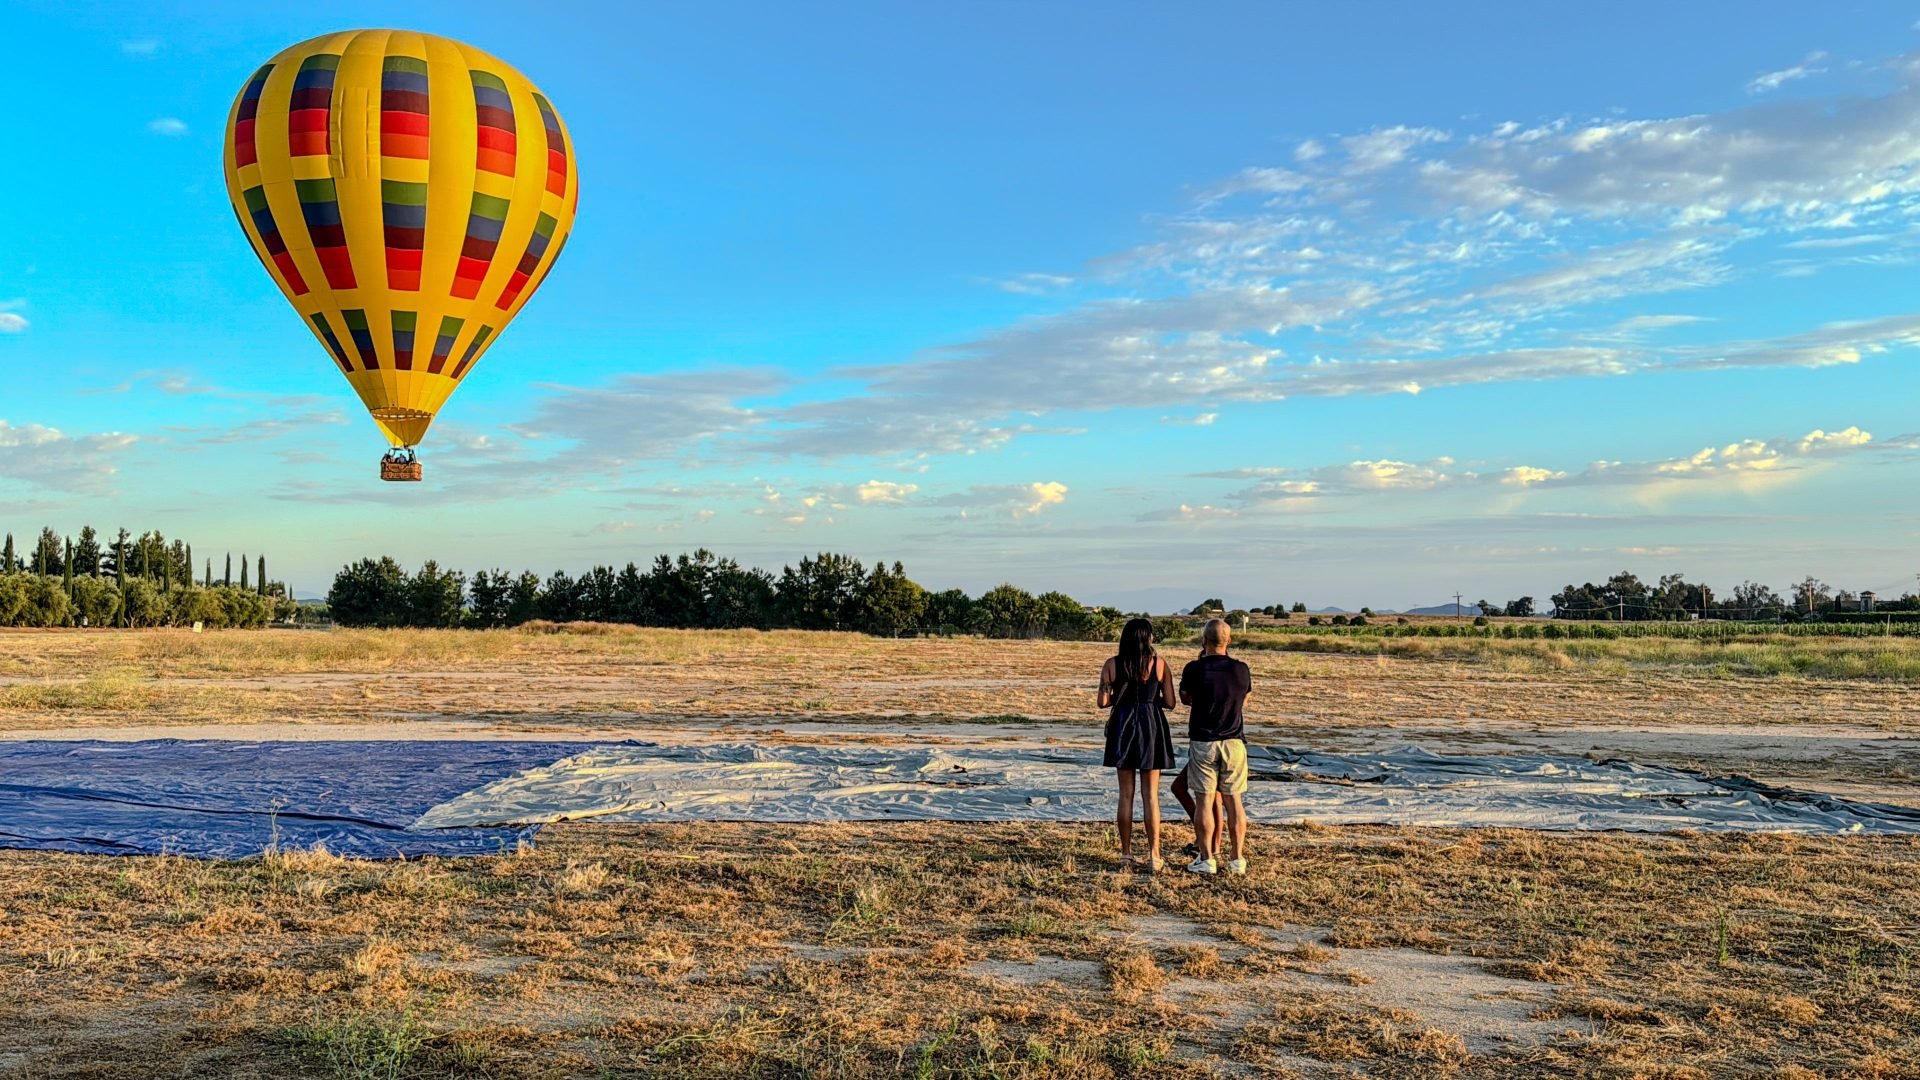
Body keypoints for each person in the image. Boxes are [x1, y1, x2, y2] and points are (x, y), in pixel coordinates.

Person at [1098, 617, 1178, 872]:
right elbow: (1171, 703)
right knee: (1151, 795)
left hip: (1123, 725)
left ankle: (1126, 853)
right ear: (1149, 638)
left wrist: (1116, 693)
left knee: (1125, 795)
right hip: (1151, 726)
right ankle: (1155, 854)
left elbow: (1102, 702)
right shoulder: (1160, 664)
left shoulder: (1112, 664)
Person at [1178, 618, 1252, 875]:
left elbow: (1185, 698)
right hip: (1234, 741)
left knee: (1204, 801)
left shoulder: (1193, 669)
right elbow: (1245, 698)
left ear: (1204, 641)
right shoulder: (1241, 670)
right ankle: (1237, 858)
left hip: (1203, 741)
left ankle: (1207, 857)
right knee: (1234, 802)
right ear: (1229, 641)